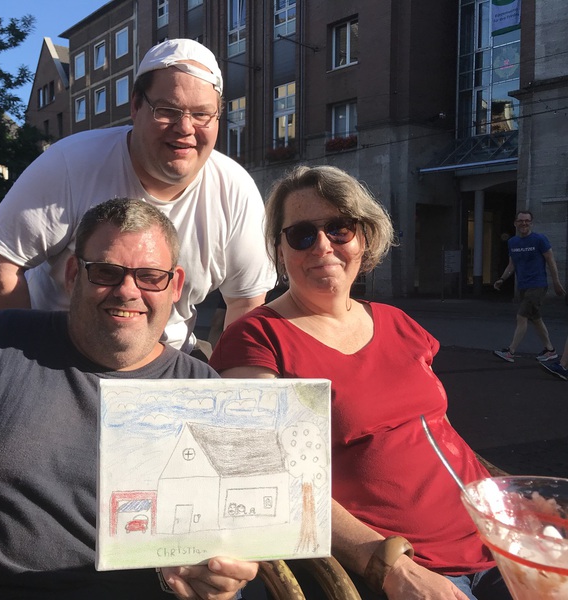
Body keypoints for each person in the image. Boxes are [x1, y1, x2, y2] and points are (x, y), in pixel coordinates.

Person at [0, 199, 258, 600]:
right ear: (73, 274)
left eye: (149, 277)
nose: (128, 291)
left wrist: (218, 579)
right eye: (106, 272)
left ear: (175, 286)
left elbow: (226, 542)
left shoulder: (202, 390)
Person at [208, 165, 512, 600]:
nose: (323, 246)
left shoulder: (397, 322)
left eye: (339, 228)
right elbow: (262, 475)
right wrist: (388, 565)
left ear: (363, 239)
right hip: (413, 566)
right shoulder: (257, 338)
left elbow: (432, 428)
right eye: (301, 235)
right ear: (279, 249)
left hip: (498, 535)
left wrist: (515, 507)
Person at [0, 38, 274, 356]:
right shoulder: (70, 164)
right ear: (135, 106)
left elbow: (245, 301)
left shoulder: (235, 192)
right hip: (61, 351)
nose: (185, 128)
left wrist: (230, 378)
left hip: (169, 358)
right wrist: (26, 355)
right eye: (167, 110)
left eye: (202, 114)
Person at [492, 210, 565, 363]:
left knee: (521, 316)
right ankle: (550, 350)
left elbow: (551, 261)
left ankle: (510, 351)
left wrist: (556, 282)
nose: (524, 223)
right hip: (523, 286)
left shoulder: (540, 240)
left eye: (527, 221)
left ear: (531, 223)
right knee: (536, 318)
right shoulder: (512, 242)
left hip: (537, 285)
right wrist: (502, 279)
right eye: (520, 221)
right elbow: (512, 264)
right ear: (515, 223)